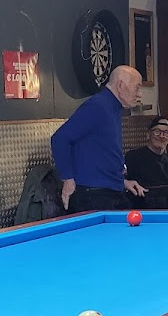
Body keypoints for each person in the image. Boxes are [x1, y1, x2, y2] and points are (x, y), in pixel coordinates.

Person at [51, 65, 146, 213]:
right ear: (120, 85)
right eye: (137, 88)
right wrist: (67, 179)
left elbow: (102, 152)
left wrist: (122, 182)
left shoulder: (113, 108)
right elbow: (59, 139)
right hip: (94, 195)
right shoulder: (97, 106)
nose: (139, 94)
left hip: (110, 190)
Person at [124, 117, 168, 206]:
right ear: (148, 135)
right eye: (157, 131)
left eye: (166, 133)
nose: (162, 136)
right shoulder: (132, 157)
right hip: (140, 207)